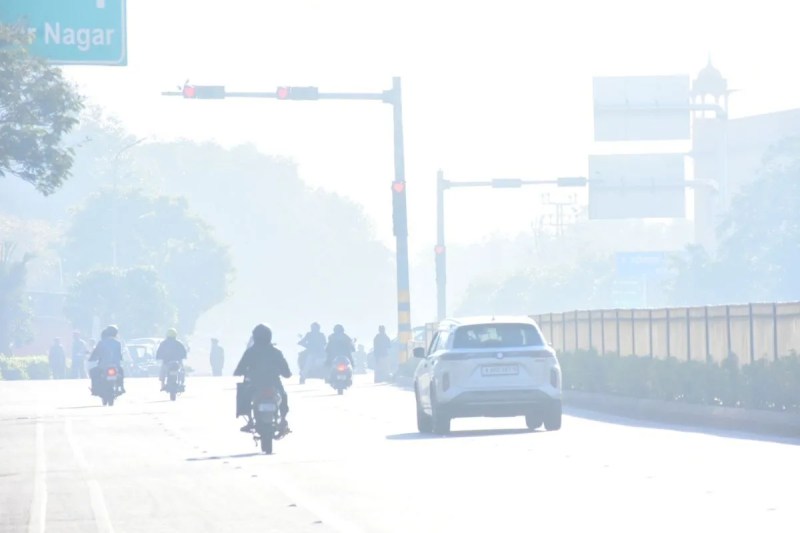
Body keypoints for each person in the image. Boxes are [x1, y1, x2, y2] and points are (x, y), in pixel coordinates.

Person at [233, 324, 291, 434]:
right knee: (283, 396)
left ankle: (250, 420)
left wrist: (240, 372)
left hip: (255, 384)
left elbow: (240, 369)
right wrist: (286, 373)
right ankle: (283, 420)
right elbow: (286, 372)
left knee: (244, 396)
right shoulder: (276, 352)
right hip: (274, 383)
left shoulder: (250, 352)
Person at [88, 325, 125, 394]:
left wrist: (91, 358)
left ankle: (94, 389)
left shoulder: (101, 343)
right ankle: (121, 387)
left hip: (103, 366)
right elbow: (119, 355)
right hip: (115, 365)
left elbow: (95, 353)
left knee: (93, 372)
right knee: (121, 371)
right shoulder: (118, 343)